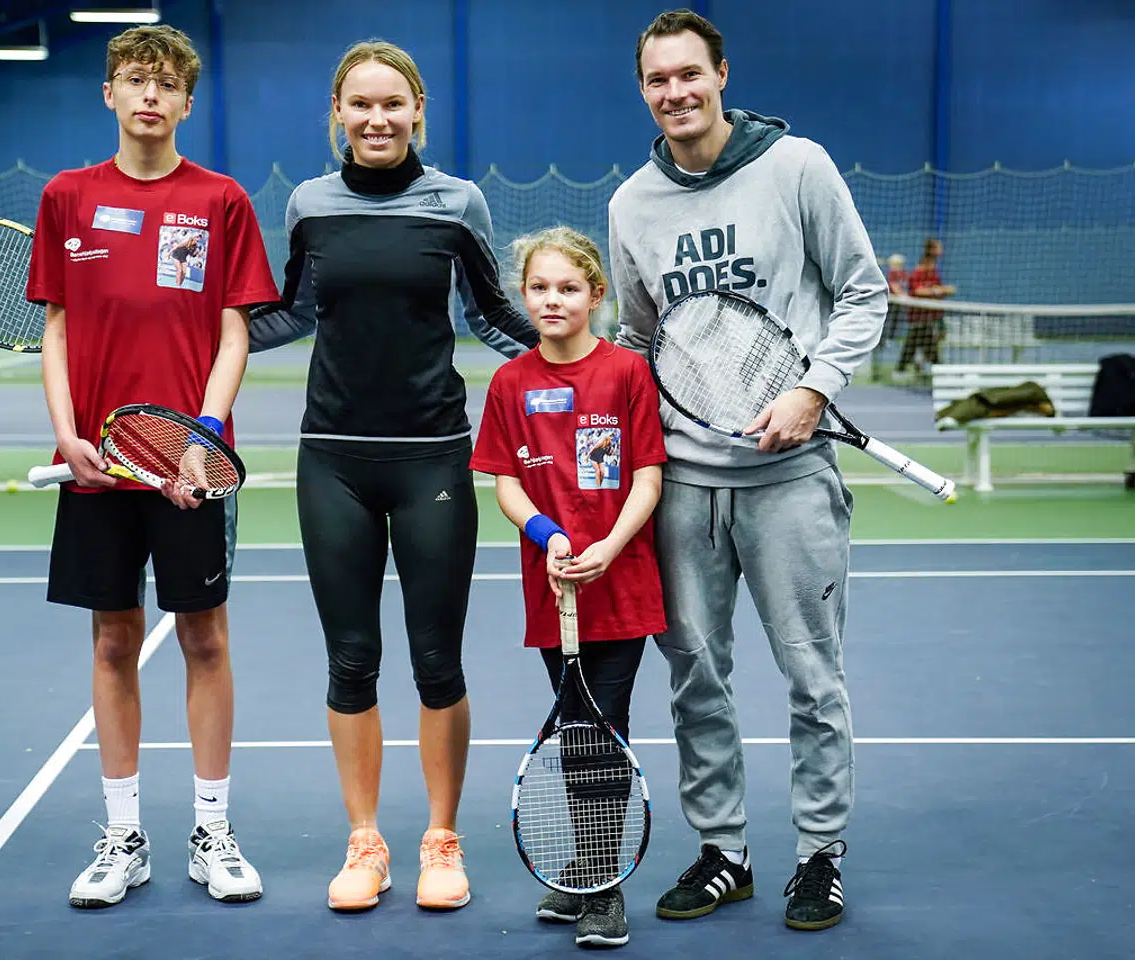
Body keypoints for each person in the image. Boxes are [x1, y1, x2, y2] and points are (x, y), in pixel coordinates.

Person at [247, 39, 540, 912]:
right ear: (337, 114)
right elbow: (290, 312)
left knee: (436, 661)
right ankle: (365, 842)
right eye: (360, 105)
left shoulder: (459, 203)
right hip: (332, 459)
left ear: (418, 111)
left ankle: (441, 841)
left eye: (393, 104)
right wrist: (192, 336)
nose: (377, 119)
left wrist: (585, 361)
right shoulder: (308, 205)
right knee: (351, 661)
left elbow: (492, 316)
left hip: (433, 460)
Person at [610, 9, 887, 931]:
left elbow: (861, 290)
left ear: (722, 74)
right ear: (643, 90)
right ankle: (723, 851)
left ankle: (820, 857)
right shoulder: (629, 206)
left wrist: (813, 390)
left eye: (691, 74)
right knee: (696, 675)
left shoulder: (796, 167)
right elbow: (635, 341)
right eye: (658, 80)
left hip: (792, 481)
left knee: (814, 676)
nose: (676, 93)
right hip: (684, 486)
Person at [24, 24, 280, 909]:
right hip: (96, 465)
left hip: (190, 467)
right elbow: (54, 325)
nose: (149, 96)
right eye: (135, 80)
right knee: (111, 640)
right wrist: (67, 432)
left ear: (186, 102)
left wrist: (202, 435)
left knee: (205, 637)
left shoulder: (221, 201)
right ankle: (123, 835)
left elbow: (234, 326)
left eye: (166, 84)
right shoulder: (67, 198)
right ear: (109, 93)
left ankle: (212, 830)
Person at [470, 227, 666, 948]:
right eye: (541, 288)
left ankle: (602, 887)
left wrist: (610, 547)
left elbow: (648, 475)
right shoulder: (510, 381)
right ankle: (586, 866)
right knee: (579, 728)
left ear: (595, 295)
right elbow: (507, 484)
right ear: (525, 296)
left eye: (569, 288)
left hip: (622, 586)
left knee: (598, 728)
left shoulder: (625, 374)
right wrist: (549, 538)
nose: (553, 300)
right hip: (554, 589)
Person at [896, 237, 957, 375]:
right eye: (938, 247)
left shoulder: (933, 268)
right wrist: (940, 290)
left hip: (933, 313)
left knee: (930, 340)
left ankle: (922, 365)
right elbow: (918, 290)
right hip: (919, 315)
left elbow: (933, 287)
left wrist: (943, 290)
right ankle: (905, 369)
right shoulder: (921, 270)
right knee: (916, 342)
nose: (941, 250)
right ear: (931, 250)